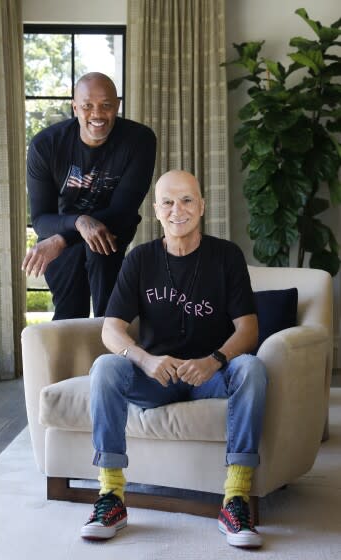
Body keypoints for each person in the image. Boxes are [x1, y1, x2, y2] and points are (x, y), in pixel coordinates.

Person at [81, 170, 268, 548]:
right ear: (156, 210)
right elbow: (110, 330)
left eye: (186, 200)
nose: (177, 209)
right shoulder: (139, 260)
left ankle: (235, 499)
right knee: (106, 366)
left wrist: (214, 360)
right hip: (156, 377)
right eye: (167, 201)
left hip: (210, 376)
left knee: (251, 367)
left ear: (201, 206)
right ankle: (112, 496)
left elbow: (248, 330)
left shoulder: (226, 256)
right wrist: (145, 359)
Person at [22, 72, 156, 319]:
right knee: (69, 314)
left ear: (117, 106)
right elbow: (41, 218)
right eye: (87, 106)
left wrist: (63, 237)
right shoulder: (46, 146)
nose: (97, 114)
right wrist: (78, 223)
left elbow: (123, 210)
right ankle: (68, 356)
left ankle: (109, 354)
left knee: (109, 309)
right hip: (61, 229)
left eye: (106, 105)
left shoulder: (139, 140)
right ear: (75, 108)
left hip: (111, 229)